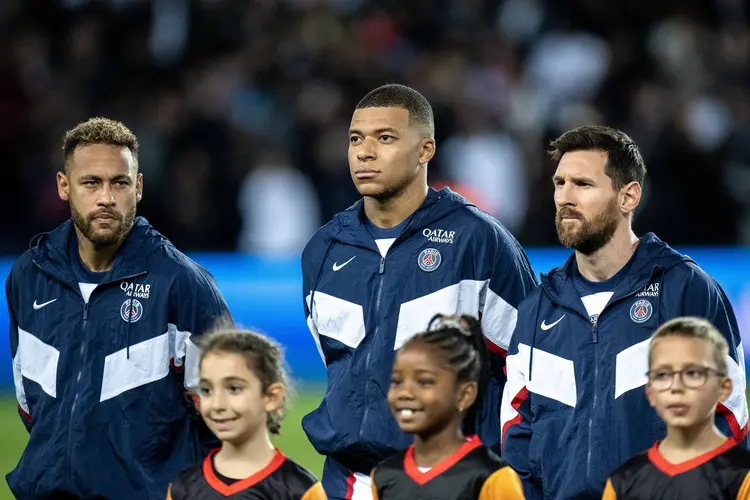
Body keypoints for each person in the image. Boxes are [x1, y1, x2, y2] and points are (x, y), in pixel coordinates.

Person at [301, 83, 537, 499]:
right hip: (348, 483)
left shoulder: (477, 240)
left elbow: (530, 370)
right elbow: (339, 366)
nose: (365, 152)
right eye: (356, 139)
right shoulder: (324, 249)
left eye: (385, 138)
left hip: (450, 480)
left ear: (425, 150)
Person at [500, 125, 748, 500]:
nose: (565, 197)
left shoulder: (683, 289)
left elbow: (729, 418)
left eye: (583, 184)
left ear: (629, 196)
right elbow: (517, 435)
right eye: (559, 182)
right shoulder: (538, 306)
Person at [6, 118, 230, 499]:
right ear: (64, 186)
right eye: (91, 182)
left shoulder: (182, 284)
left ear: (137, 187)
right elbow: (31, 404)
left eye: (119, 183)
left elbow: (223, 418)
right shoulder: (29, 276)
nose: (106, 198)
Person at [371, 314, 525, 500]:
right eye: (397, 381)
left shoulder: (492, 477)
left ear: (464, 394)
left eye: (424, 382)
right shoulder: (382, 476)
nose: (405, 392)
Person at [167, 320, 326, 500]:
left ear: (271, 397)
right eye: (206, 390)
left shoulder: (300, 490)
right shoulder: (182, 488)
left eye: (234, 388)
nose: (217, 404)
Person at [603, 317, 750, 499]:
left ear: (724, 388)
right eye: (663, 375)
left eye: (693, 373)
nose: (676, 386)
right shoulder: (622, 481)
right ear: (650, 392)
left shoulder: (743, 476)